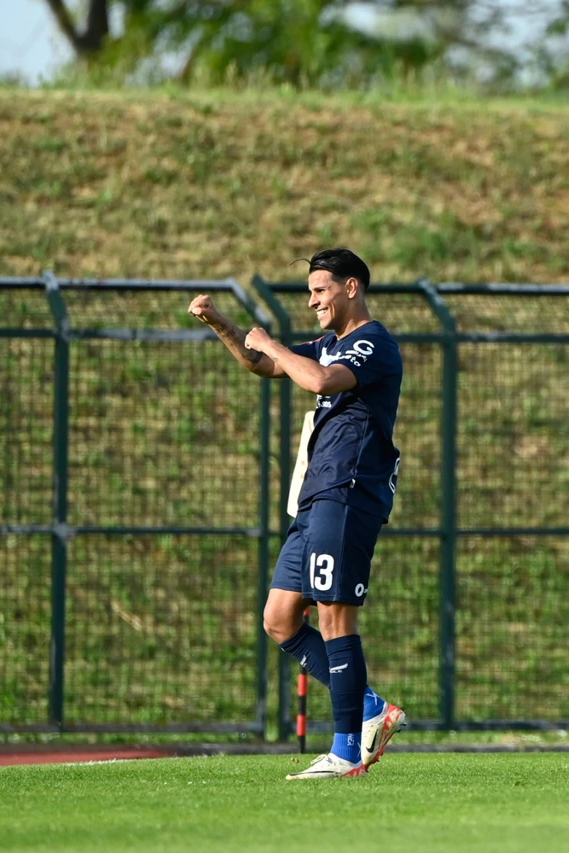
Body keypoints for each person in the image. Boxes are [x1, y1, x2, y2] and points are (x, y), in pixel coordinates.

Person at [189, 248, 406, 779]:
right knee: (280, 619)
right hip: (314, 498)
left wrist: (272, 343)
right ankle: (373, 708)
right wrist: (222, 323)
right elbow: (263, 364)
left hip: (348, 493)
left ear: (351, 288)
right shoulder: (330, 344)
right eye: (310, 291)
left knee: (334, 618)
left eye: (320, 289)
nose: (312, 300)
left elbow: (319, 381)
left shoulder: (371, 343)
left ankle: (346, 751)